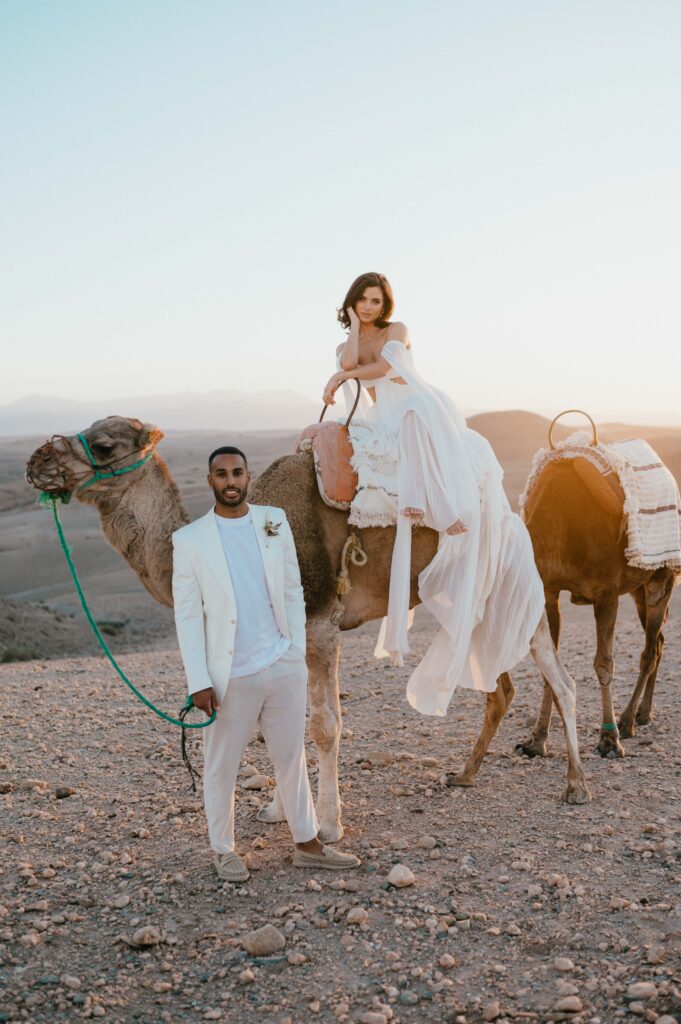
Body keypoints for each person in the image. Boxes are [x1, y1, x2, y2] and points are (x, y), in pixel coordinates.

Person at [322, 272, 545, 718]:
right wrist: (349, 331)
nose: (368, 306)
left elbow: (386, 370)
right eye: (361, 301)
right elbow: (349, 365)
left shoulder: (397, 331)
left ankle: (438, 508)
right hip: (380, 415)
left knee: (411, 421)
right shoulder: (351, 335)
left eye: (375, 300)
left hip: (414, 403)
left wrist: (339, 374)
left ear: (385, 302)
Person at [171, 446, 360, 881]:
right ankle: (223, 850)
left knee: (291, 758)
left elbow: (291, 587)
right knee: (222, 765)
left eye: (237, 472)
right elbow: (187, 616)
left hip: (281, 663)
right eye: (221, 474)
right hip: (229, 675)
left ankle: (307, 843)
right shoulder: (190, 540)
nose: (230, 481)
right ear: (210, 481)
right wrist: (199, 679)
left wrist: (292, 651)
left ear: (248, 476)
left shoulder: (272, 520)